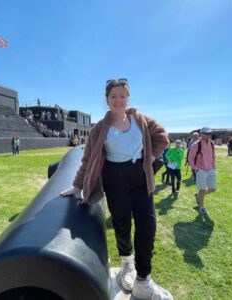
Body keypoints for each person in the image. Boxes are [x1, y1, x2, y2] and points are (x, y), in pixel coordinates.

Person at [60, 78, 173, 300]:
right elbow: (87, 159)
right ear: (107, 99)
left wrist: (149, 157)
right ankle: (127, 265)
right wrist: (76, 185)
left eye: (122, 96)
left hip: (141, 177)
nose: (118, 100)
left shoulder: (140, 119)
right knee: (121, 223)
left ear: (128, 97)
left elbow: (162, 138)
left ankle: (143, 281)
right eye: (113, 96)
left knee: (147, 225)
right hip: (114, 177)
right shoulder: (100, 128)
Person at [188, 127, 216, 217]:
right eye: (206, 133)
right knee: (202, 189)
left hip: (211, 168)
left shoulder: (212, 143)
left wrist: (214, 165)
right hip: (201, 169)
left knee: (213, 188)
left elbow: (213, 155)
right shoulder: (196, 144)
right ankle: (202, 207)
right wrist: (196, 168)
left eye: (210, 134)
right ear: (201, 133)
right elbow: (190, 158)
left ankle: (198, 196)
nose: (209, 135)